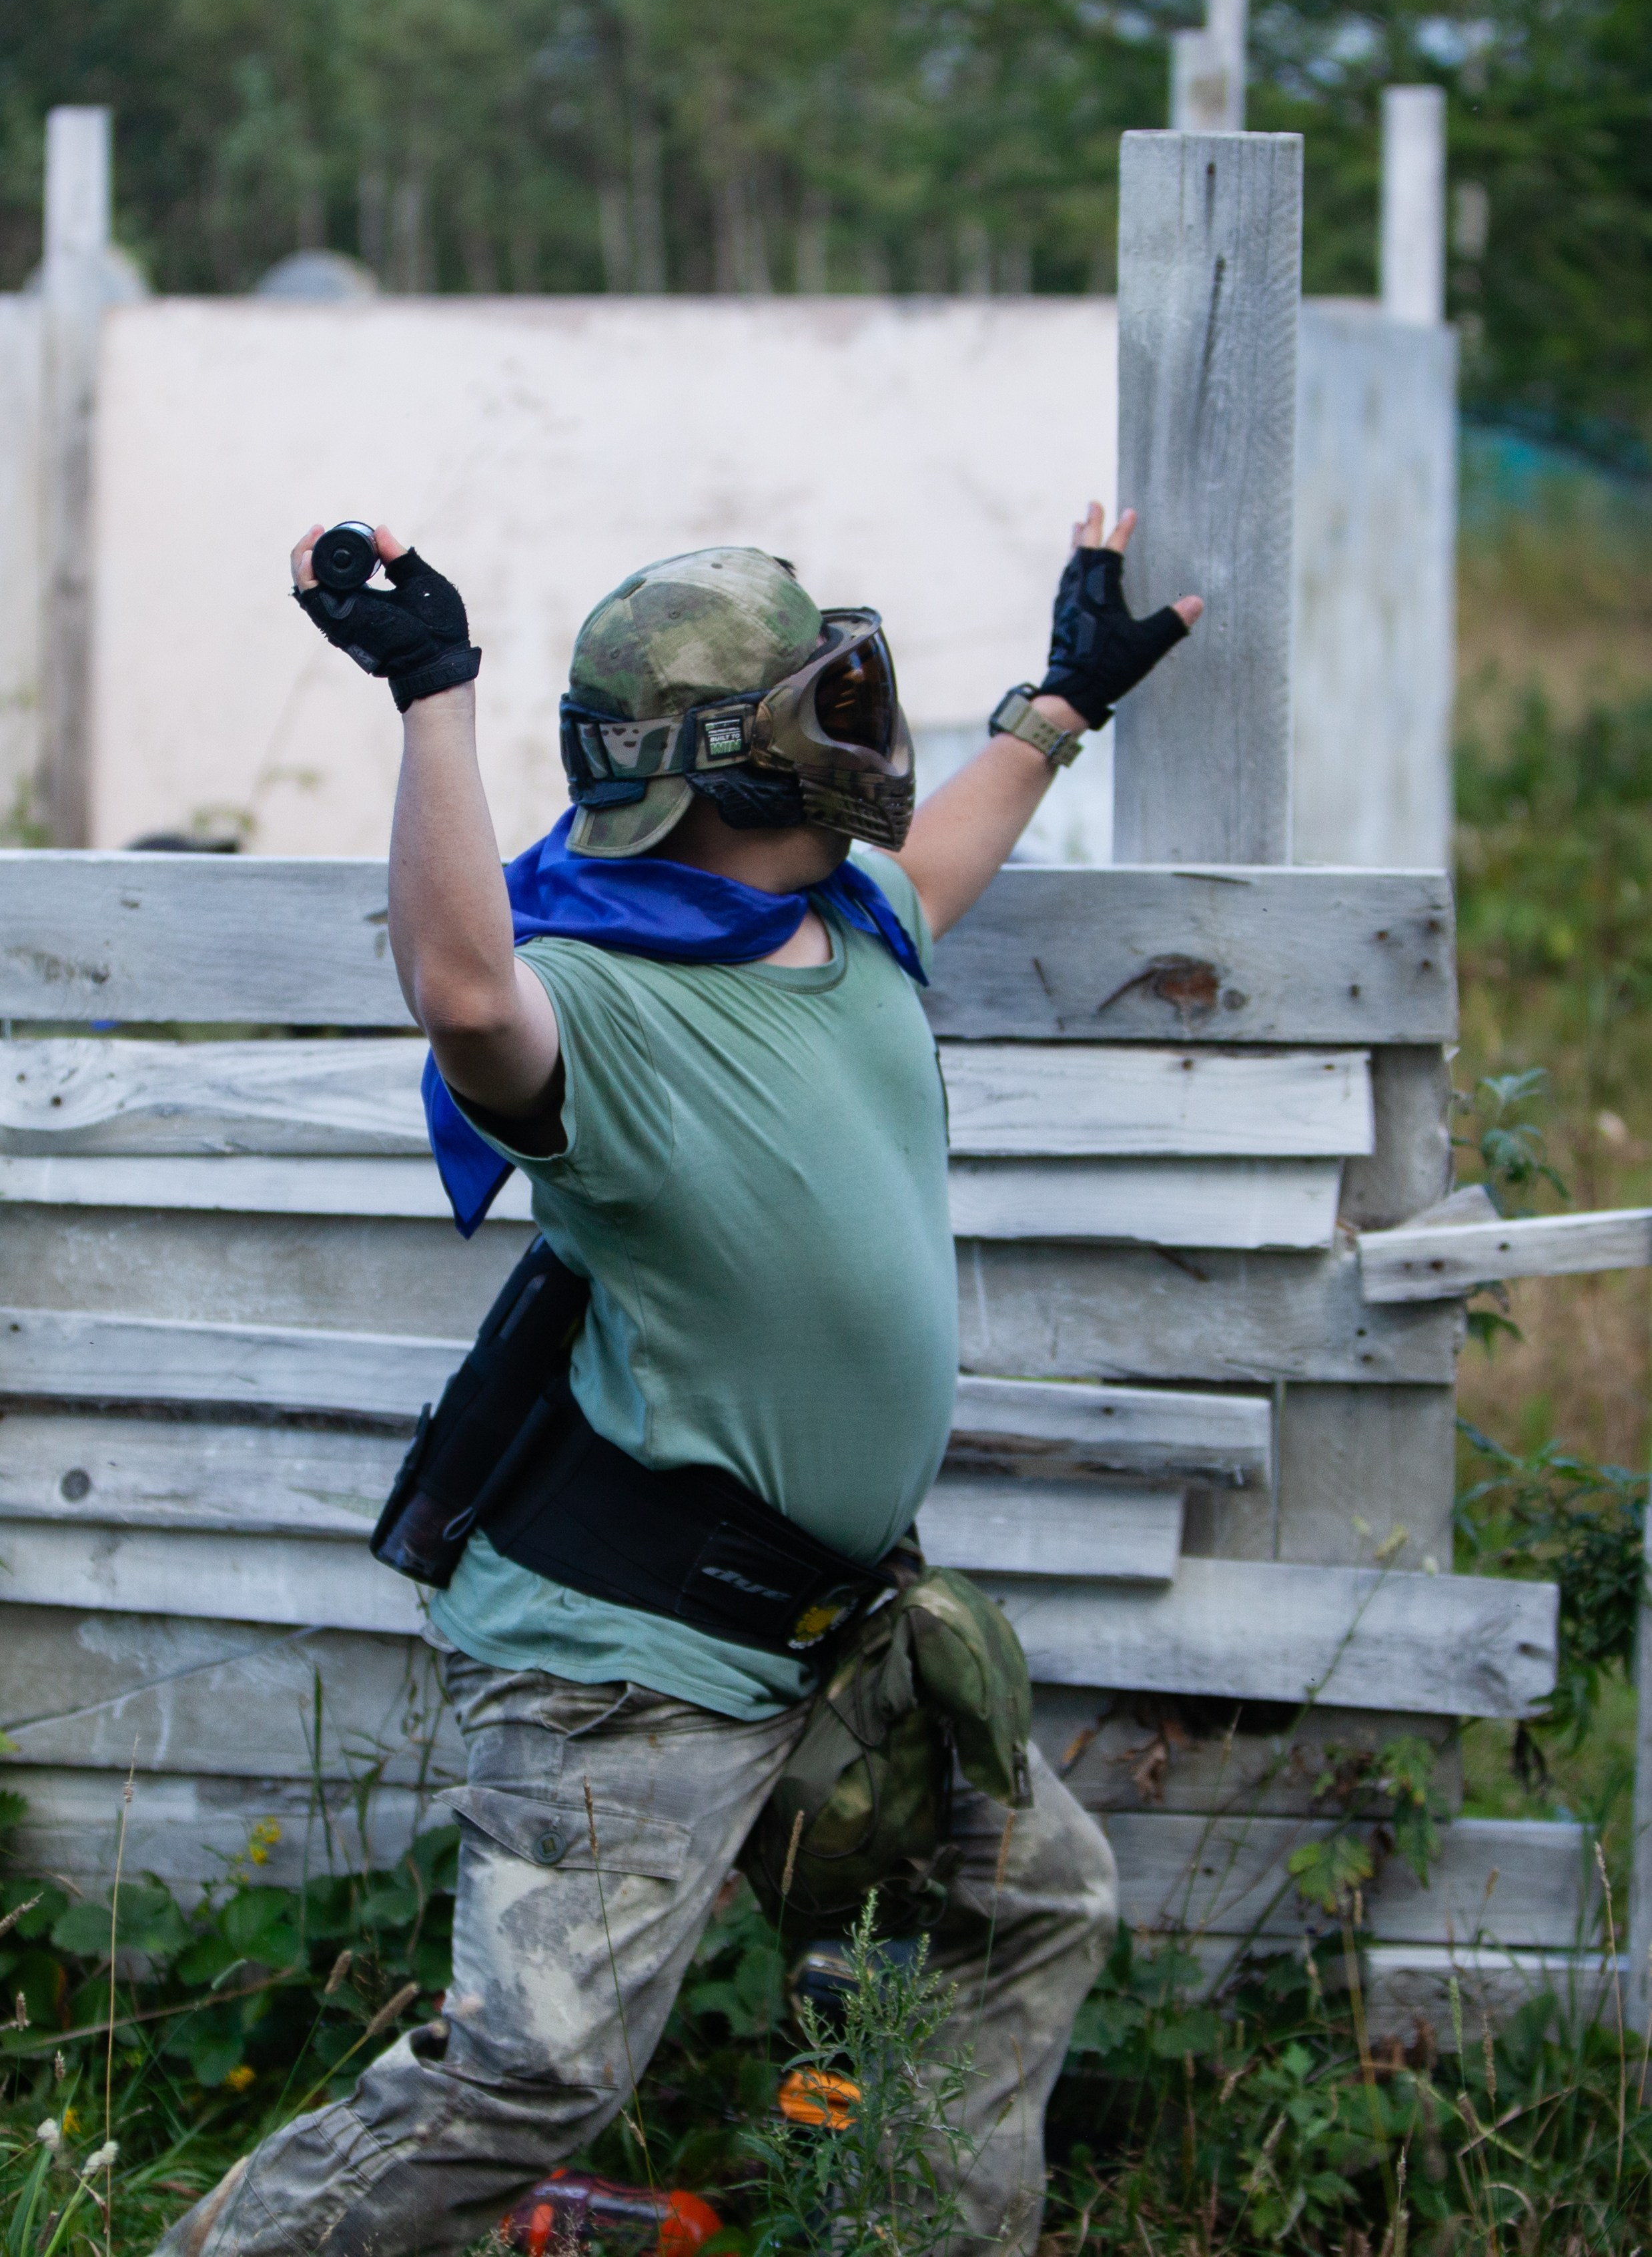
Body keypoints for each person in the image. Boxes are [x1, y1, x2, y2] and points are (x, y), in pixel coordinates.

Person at [156, 507, 1201, 2257]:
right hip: (629, 1663)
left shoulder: (840, 921)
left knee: (1027, 1899)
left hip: (829, 1627)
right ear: (731, 759)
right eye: (830, 702)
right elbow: (461, 985)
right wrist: (432, 693)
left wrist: (1063, 701)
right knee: (528, 2083)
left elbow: (937, 860)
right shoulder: (600, 998)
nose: (869, 732)